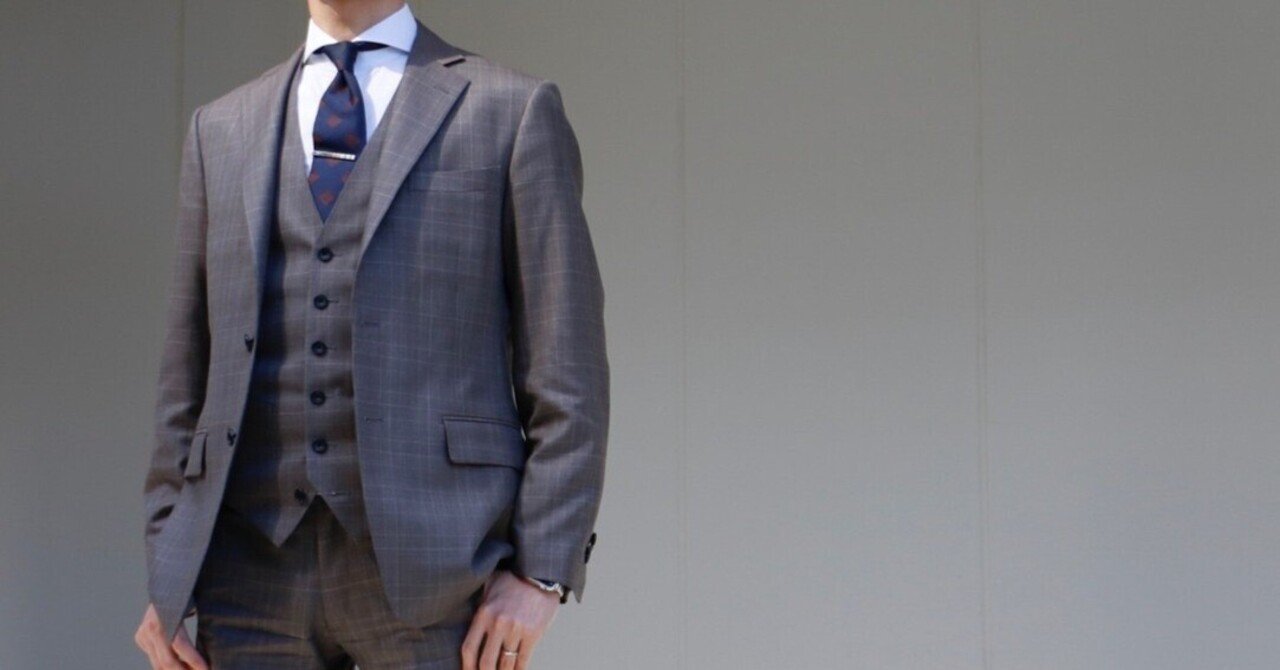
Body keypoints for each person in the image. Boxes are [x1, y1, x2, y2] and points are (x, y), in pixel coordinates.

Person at [134, 1, 609, 667]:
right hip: (247, 577)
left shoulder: (509, 109)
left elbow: (567, 367)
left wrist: (542, 573)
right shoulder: (220, 127)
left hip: (441, 574)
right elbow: (186, 374)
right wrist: (169, 566)